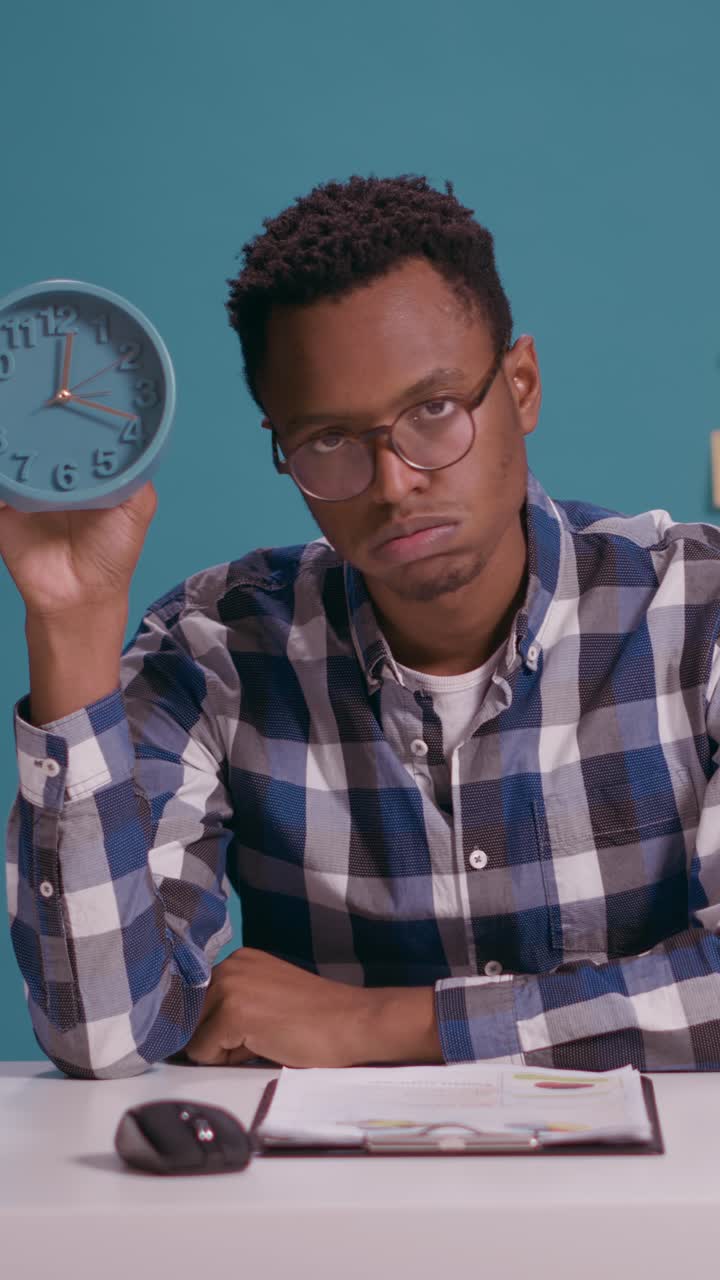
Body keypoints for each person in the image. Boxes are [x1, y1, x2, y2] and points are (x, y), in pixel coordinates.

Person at [3, 174, 720, 1081]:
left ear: (522, 385)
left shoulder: (698, 609)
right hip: (329, 1218)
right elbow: (102, 1034)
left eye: (433, 411)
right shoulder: (215, 652)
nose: (393, 482)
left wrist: (383, 1025)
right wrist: (69, 620)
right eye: (331, 441)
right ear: (282, 451)